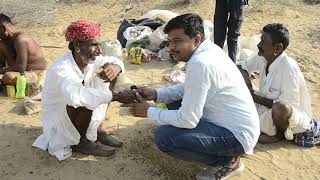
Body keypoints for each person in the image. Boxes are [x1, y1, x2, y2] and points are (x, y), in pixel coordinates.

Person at [122, 14, 260, 180]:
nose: (171, 47)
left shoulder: (201, 63)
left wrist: (149, 111)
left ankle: (228, 161)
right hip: (235, 126)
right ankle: (223, 150)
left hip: (236, 136)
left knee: (165, 137)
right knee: (172, 103)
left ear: (196, 39)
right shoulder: (207, 50)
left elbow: (188, 120)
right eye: (170, 41)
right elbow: (190, 88)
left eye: (178, 41)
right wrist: (157, 93)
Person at [32, 20, 126, 161]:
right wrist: (116, 96)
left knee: (110, 75)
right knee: (84, 97)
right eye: (94, 45)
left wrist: (114, 67)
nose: (99, 50)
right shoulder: (61, 69)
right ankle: (80, 142)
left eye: (99, 45)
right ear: (77, 45)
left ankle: (96, 129)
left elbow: (111, 60)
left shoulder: (87, 59)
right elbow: (75, 97)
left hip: (75, 111)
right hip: (60, 121)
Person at [239, 23, 320, 147]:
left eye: (263, 42)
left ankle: (279, 135)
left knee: (280, 108)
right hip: (265, 107)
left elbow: (287, 107)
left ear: (277, 48)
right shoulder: (264, 56)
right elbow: (241, 67)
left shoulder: (288, 68)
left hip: (286, 118)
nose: (258, 45)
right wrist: (249, 88)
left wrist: (254, 97)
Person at [0, 13, 47, 90]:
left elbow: (20, 68)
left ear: (3, 28)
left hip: (36, 74)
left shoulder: (20, 40)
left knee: (8, 77)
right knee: (1, 46)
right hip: (23, 72)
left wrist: (1, 71)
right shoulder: (10, 40)